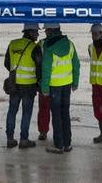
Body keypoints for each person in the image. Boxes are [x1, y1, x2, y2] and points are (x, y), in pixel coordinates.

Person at [40, 23, 80, 154]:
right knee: (65, 113)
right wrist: (75, 82)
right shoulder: (70, 44)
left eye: (46, 31)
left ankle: (58, 145)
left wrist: (44, 89)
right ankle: (67, 143)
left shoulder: (48, 48)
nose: (45, 33)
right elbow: (76, 65)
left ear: (51, 31)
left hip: (54, 86)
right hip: (67, 85)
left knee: (56, 115)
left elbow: (46, 70)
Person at [4, 22, 42, 148]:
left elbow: (7, 63)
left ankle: (10, 138)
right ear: (30, 32)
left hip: (14, 84)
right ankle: (24, 140)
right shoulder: (34, 47)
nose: (37, 34)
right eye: (36, 32)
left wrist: (16, 72)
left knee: (12, 111)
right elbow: (39, 67)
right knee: (26, 113)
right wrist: (39, 82)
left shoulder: (13, 43)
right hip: (29, 85)